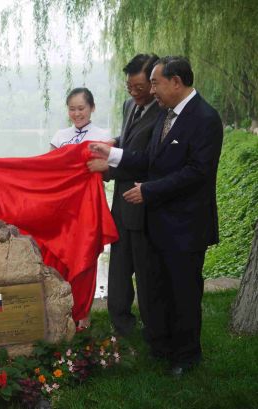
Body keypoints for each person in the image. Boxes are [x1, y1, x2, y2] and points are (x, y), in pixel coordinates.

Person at [88, 56, 223, 376]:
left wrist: (149, 191)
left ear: (176, 82)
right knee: (161, 290)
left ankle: (187, 357)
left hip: (187, 226)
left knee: (185, 293)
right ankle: (163, 348)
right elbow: (149, 158)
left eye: (155, 83)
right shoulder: (167, 114)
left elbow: (197, 173)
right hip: (160, 223)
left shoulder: (205, 118)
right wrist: (112, 153)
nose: (152, 90)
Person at [88, 53, 161, 336]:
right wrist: (112, 143)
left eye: (139, 88)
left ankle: (153, 328)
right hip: (121, 204)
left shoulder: (164, 112)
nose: (133, 92)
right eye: (129, 87)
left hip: (145, 205)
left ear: (154, 83)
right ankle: (121, 325)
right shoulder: (130, 104)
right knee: (118, 269)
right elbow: (128, 142)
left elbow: (148, 159)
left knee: (145, 273)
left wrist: (110, 165)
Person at [50, 87, 111, 330]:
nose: (77, 113)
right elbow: (48, 170)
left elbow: (107, 170)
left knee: (85, 255)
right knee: (60, 256)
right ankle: (59, 308)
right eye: (72, 109)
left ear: (92, 108)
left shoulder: (103, 136)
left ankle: (82, 313)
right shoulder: (59, 136)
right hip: (62, 208)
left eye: (81, 108)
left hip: (87, 208)